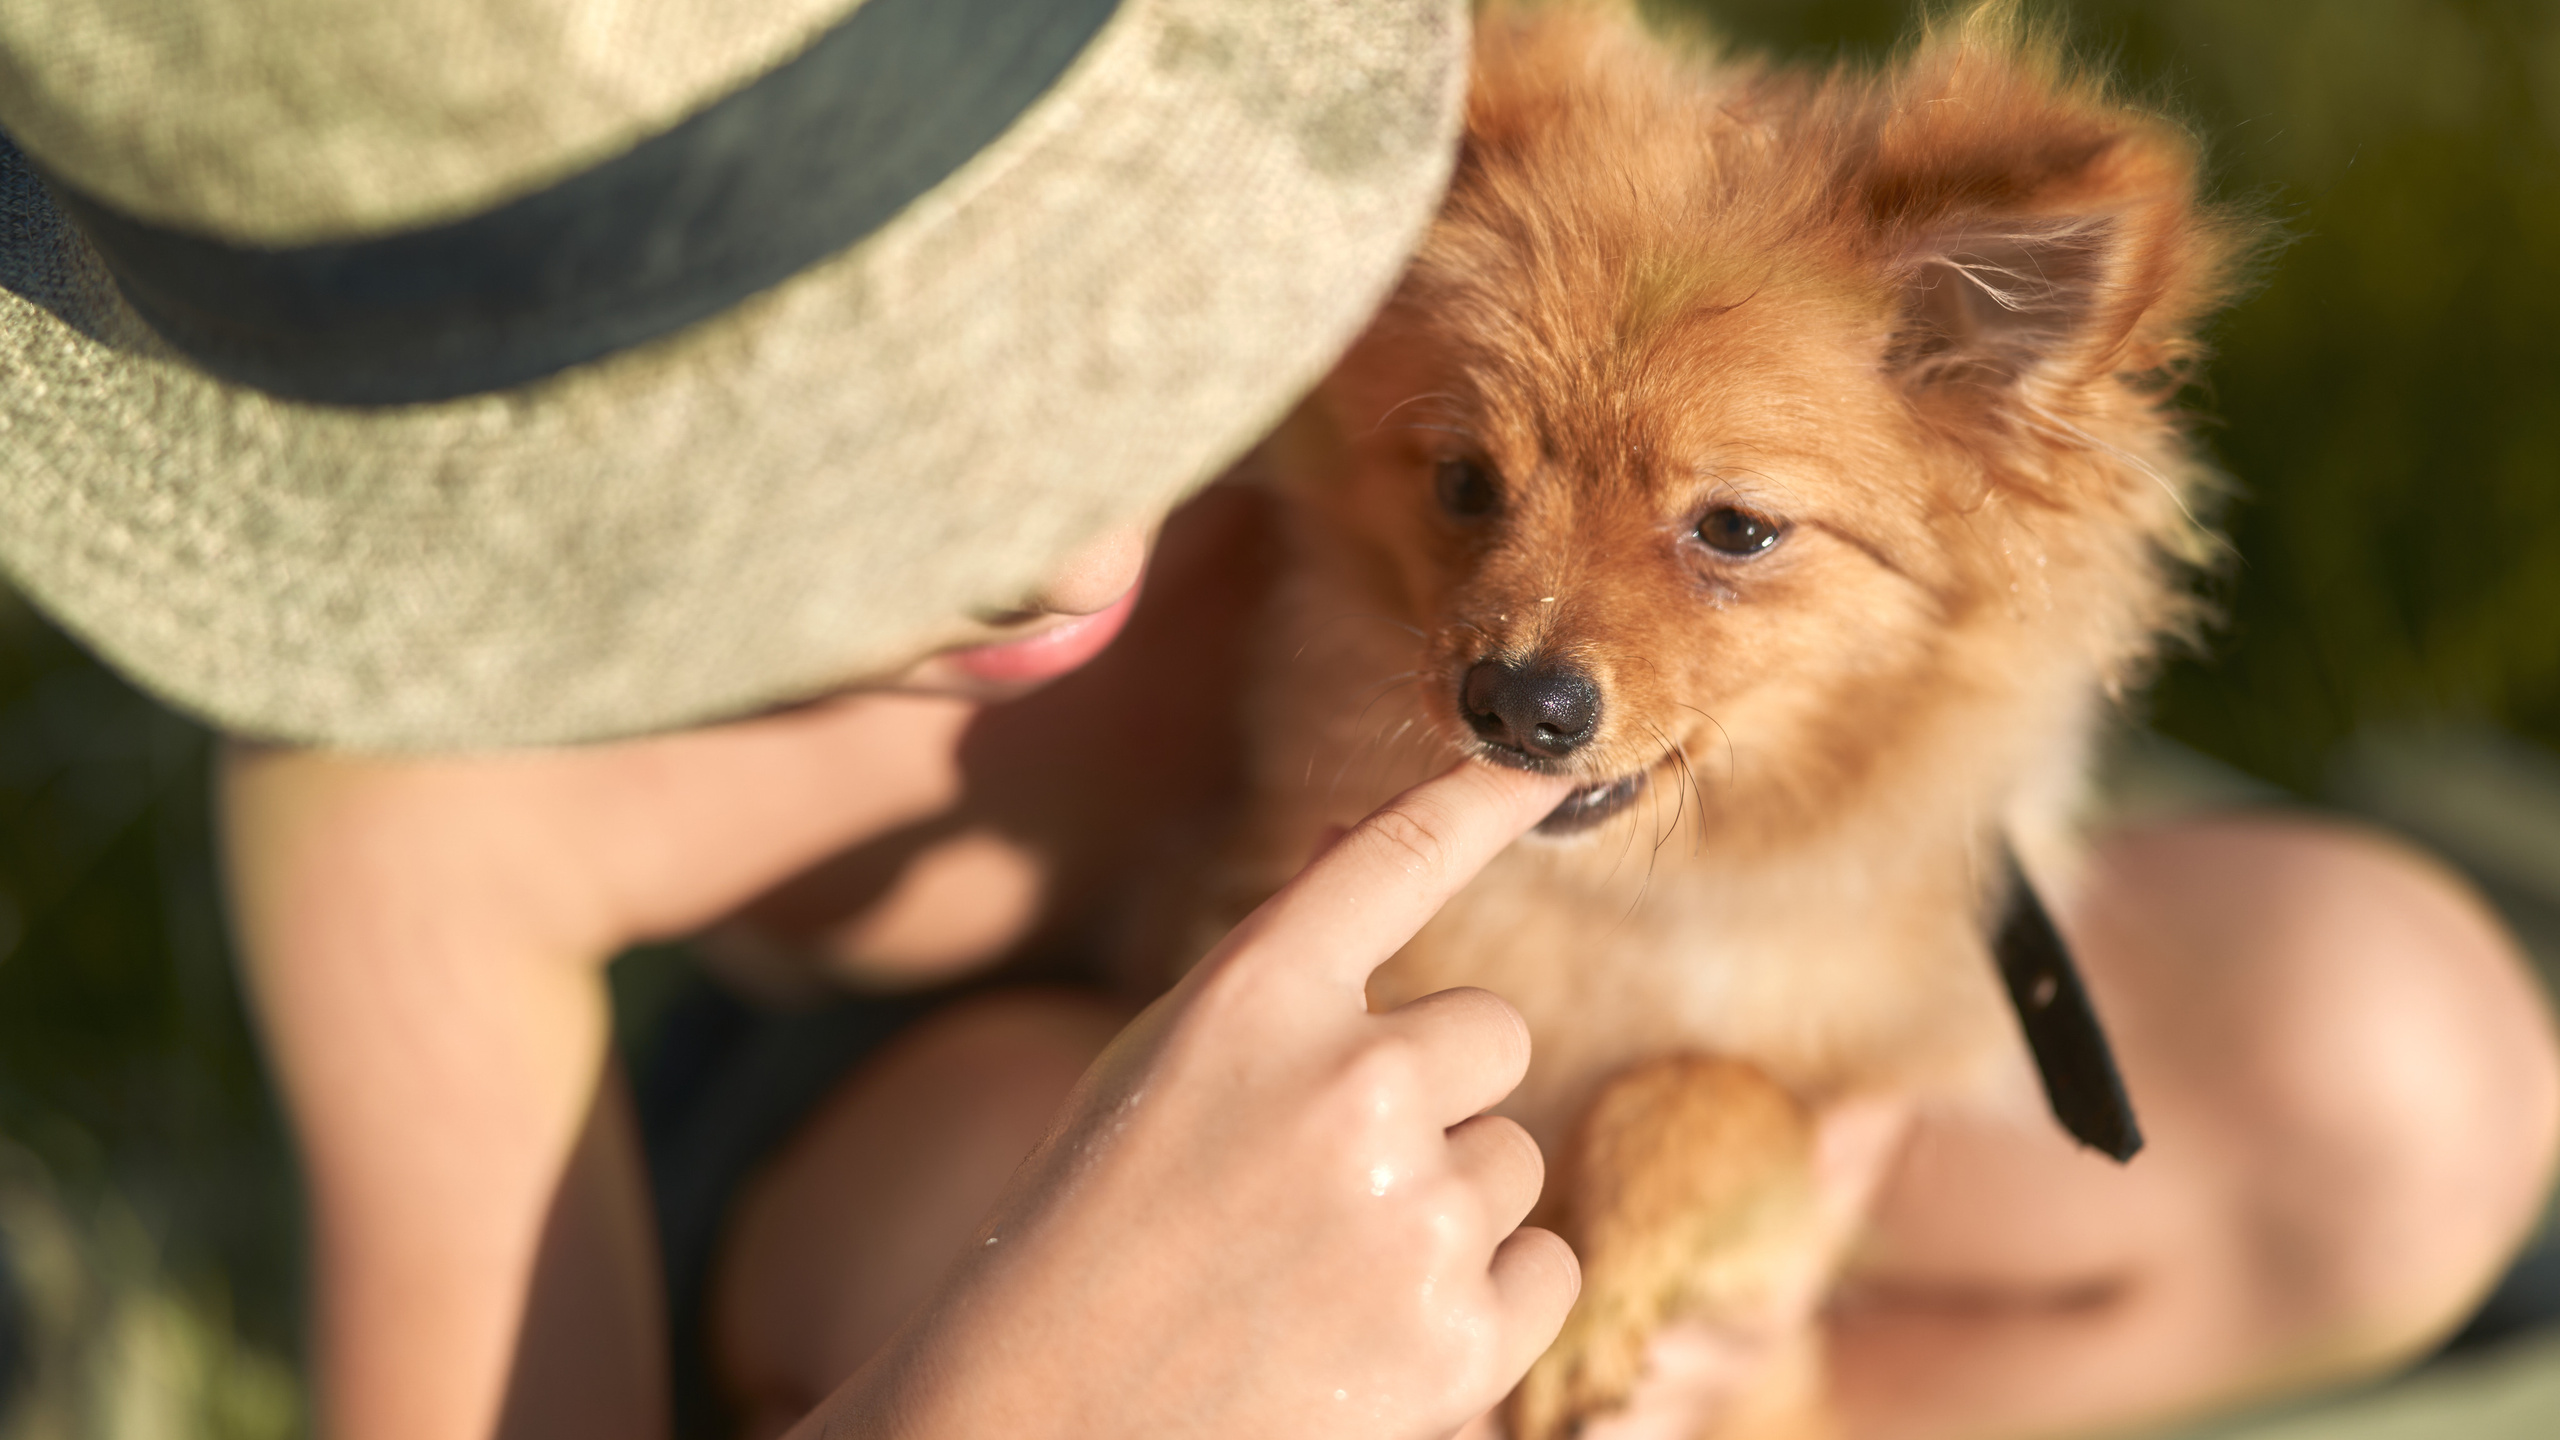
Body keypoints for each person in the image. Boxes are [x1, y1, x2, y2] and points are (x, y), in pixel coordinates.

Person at [1, 5, 2551, 1440]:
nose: (1050, 558)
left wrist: (1715, 1274)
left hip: (1732, 1082)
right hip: (964, 1155)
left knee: (2395, 1066)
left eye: (1078, 343)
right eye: (839, 444)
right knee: (1107, 1223)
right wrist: (1006, 1400)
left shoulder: (1464, 256)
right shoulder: (432, 804)